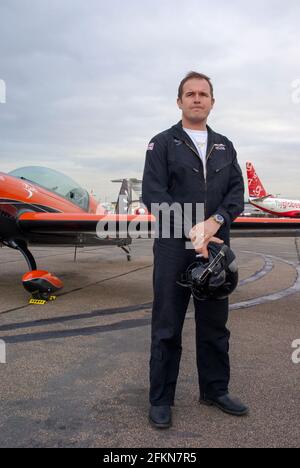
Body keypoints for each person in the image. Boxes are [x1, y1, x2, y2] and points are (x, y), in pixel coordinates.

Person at [142, 71, 248, 429]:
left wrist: (215, 221)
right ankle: (160, 399)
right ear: (179, 101)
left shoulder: (225, 146)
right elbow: (153, 195)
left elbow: (236, 194)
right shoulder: (161, 143)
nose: (197, 98)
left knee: (215, 326)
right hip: (175, 248)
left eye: (203, 94)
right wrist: (193, 229)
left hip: (216, 247)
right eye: (190, 94)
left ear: (212, 102)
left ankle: (215, 390)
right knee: (167, 325)